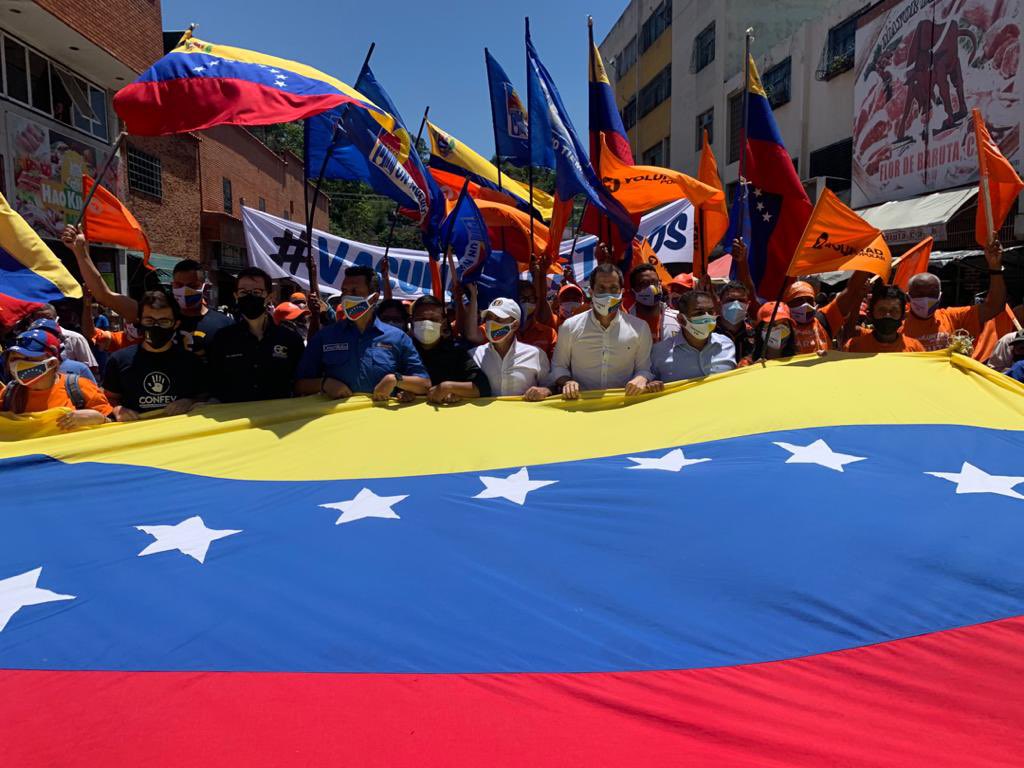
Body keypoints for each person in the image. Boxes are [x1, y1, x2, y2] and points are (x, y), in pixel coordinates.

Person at [62, 225, 231, 356]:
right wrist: (80, 252)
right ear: (172, 285)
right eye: (179, 285)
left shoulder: (224, 324)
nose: (185, 291)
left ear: (205, 286)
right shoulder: (155, 312)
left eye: (192, 285)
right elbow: (105, 295)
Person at [294, 265, 430, 401]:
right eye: (344, 291)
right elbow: (299, 385)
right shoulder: (324, 337)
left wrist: (396, 380)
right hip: (336, 418)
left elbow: (424, 385)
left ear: (374, 298)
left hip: (381, 418)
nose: (347, 297)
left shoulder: (398, 338)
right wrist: (324, 384)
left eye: (354, 291)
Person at [549, 263, 653, 400]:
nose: (608, 294)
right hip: (582, 406)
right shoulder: (570, 327)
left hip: (623, 405)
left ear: (621, 292)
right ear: (591, 292)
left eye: (613, 288)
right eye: (601, 288)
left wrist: (641, 377)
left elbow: (644, 368)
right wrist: (567, 381)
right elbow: (558, 366)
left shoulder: (640, 328)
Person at [103, 290, 208, 421]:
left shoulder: (191, 362)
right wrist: (117, 409)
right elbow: (107, 398)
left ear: (176, 324)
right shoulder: (118, 360)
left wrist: (190, 402)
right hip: (136, 433)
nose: (156, 327)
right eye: (149, 321)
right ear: (140, 321)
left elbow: (205, 398)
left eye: (164, 322)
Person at [205, 267, 305, 403]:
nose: (250, 297)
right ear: (236, 296)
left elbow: (301, 383)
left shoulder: (290, 339)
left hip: (278, 420)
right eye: (243, 292)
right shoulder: (223, 339)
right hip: (235, 420)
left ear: (269, 296)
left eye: (257, 292)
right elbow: (214, 383)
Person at [904, 239, 1006, 351]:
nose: (926, 298)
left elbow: (994, 306)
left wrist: (995, 268)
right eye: (919, 294)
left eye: (932, 294)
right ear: (908, 297)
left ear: (939, 296)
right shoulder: (897, 326)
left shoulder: (952, 318)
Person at [0, 328, 111, 428]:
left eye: (28, 358)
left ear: (52, 363)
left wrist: (100, 419)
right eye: (14, 359)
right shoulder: (9, 394)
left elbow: (115, 428)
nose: (18, 365)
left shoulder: (80, 388)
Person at [407, 295, 491, 404]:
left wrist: (450, 387)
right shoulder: (403, 350)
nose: (427, 324)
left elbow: (482, 388)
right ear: (411, 321)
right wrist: (404, 391)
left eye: (433, 319)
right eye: (421, 319)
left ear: (443, 322)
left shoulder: (456, 351)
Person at [648, 290, 736, 386]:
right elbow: (649, 386)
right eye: (699, 313)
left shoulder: (727, 344)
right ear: (681, 320)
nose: (707, 317)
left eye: (710, 312)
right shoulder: (659, 353)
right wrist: (651, 385)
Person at [471, 297, 550, 400]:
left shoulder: (535, 354)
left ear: (515, 325)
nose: (491, 323)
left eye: (499, 319)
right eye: (489, 318)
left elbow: (550, 385)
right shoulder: (473, 355)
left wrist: (544, 391)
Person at [845, 284, 927, 354]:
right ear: (870, 314)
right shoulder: (855, 347)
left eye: (894, 311)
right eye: (882, 310)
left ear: (902, 316)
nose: (887, 315)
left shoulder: (915, 348)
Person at [25, 303, 97, 373]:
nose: (45, 323)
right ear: (32, 321)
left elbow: (90, 369)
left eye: (49, 319)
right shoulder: (27, 340)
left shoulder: (75, 338)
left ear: (57, 319)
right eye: (39, 319)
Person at [26, 318, 97, 384]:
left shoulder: (78, 369)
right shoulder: (25, 370)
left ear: (59, 341)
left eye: (49, 336)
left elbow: (93, 394)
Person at [627, 263, 680, 343]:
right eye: (644, 284)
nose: (652, 288)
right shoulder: (625, 322)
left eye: (654, 282)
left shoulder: (678, 320)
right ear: (633, 291)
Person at [716, 280, 756, 363]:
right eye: (730, 300)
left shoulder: (754, 333)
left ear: (748, 305)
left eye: (741, 300)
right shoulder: (709, 332)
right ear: (720, 304)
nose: (736, 304)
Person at [517, 277, 558, 358]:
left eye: (531, 299)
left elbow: (556, 363)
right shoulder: (503, 330)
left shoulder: (549, 334)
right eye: (522, 298)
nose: (527, 302)